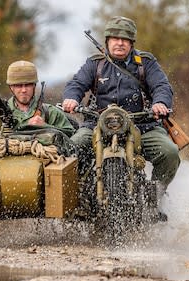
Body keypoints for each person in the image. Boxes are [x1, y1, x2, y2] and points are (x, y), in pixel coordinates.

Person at [61, 16, 180, 219]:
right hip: (97, 125)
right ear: (107, 41)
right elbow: (76, 84)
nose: (119, 42)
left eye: (125, 39)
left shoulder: (145, 63)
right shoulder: (95, 64)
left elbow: (162, 86)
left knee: (169, 152)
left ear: (132, 43)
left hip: (142, 126)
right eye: (115, 38)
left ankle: (155, 198)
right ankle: (77, 199)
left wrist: (161, 103)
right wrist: (71, 99)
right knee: (70, 149)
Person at [0, 60, 75, 138]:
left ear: (34, 86)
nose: (24, 90)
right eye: (19, 85)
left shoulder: (50, 112)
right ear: (11, 87)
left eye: (28, 85)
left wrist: (45, 126)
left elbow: (71, 136)